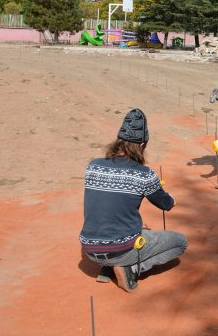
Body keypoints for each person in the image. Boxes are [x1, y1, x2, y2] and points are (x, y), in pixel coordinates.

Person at [79, 108, 187, 293]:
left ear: (118, 141)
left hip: (90, 250)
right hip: (121, 249)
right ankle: (131, 267)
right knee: (180, 242)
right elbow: (166, 204)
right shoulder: (144, 174)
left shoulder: (93, 166)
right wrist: (164, 193)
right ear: (143, 144)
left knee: (128, 228)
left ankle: (107, 268)